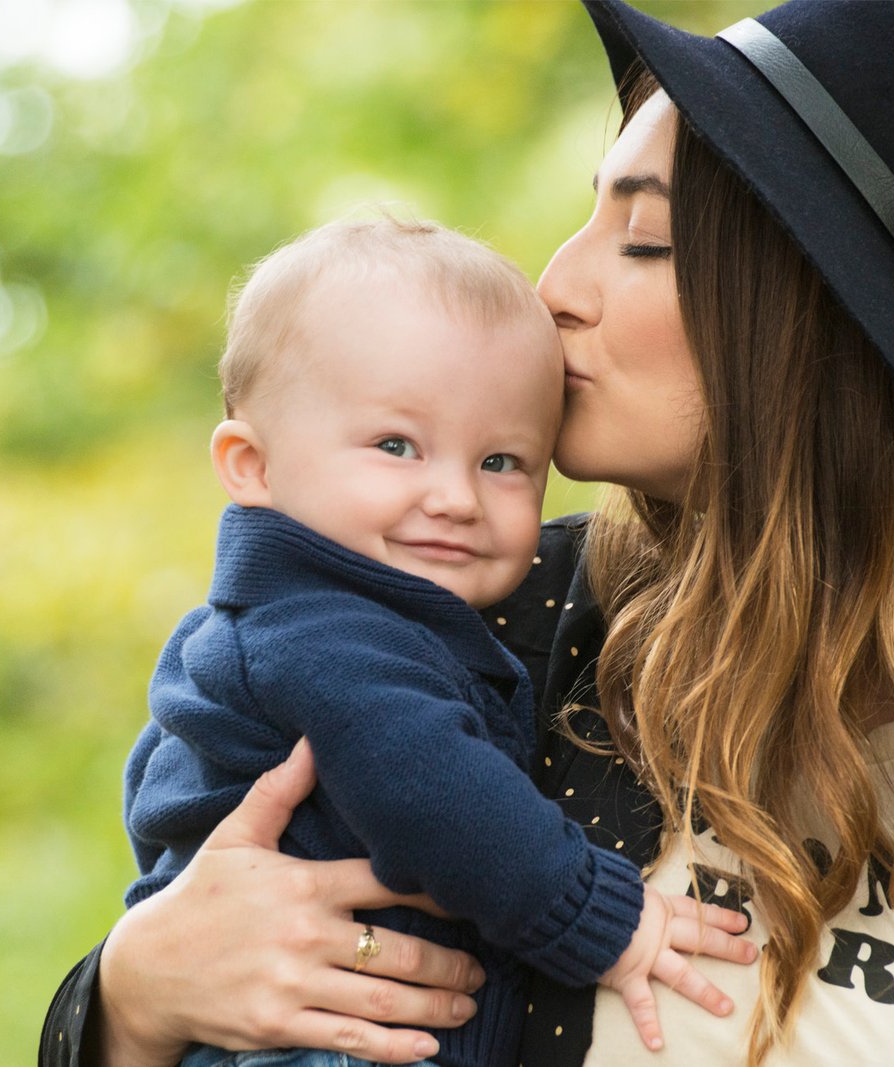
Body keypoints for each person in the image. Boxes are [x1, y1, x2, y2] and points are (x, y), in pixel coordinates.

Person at [40, 2, 894, 1065]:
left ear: (826, 325)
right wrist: (130, 999)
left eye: (645, 241)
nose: (554, 285)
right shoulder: (486, 610)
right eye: (586, 215)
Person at [122, 216, 754, 1067]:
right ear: (252, 465)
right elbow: (435, 790)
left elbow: (154, 788)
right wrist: (607, 921)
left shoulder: (298, 619)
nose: (456, 496)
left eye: (501, 462)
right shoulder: (326, 629)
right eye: (396, 446)